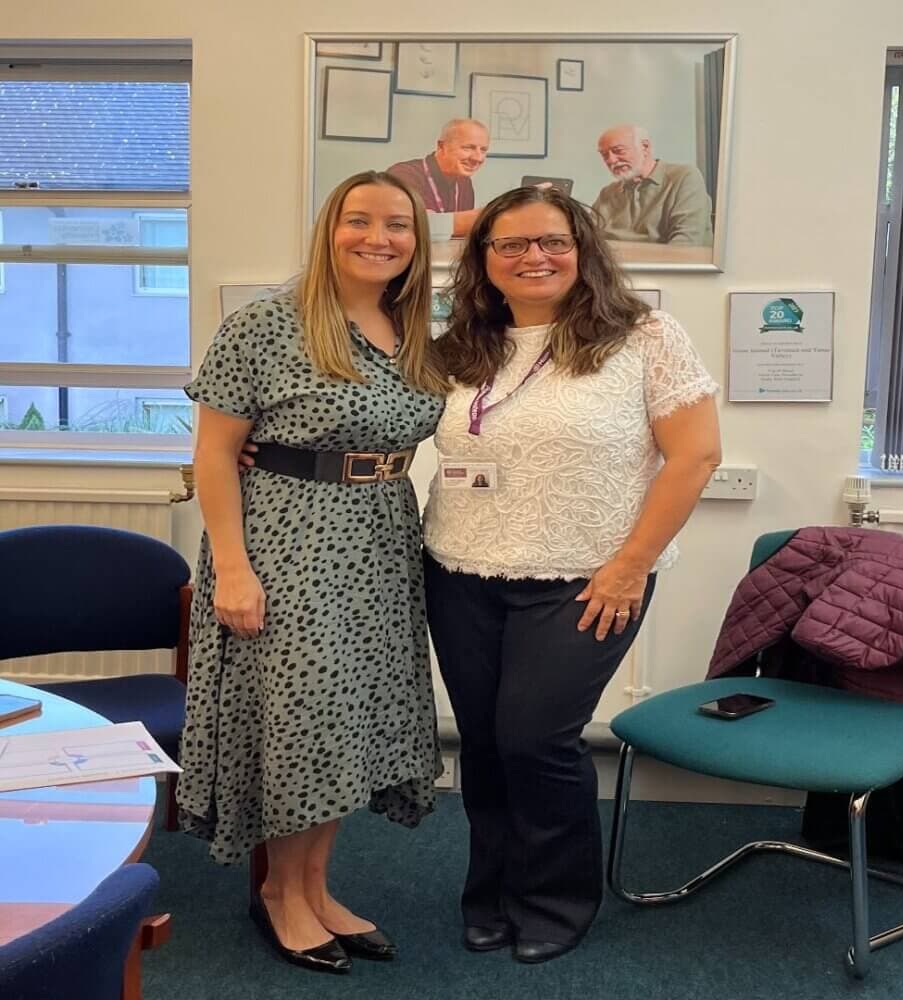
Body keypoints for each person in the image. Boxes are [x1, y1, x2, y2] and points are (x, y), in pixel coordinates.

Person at [422, 186, 721, 963]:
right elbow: (375, 420)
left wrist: (631, 567)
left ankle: (555, 897)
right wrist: (261, 448)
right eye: (511, 244)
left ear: (582, 248)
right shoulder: (461, 345)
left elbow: (695, 456)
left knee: (536, 740)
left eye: (551, 241)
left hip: (589, 576)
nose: (534, 257)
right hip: (460, 569)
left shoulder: (645, 336)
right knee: (484, 743)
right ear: (484, 260)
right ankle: (488, 890)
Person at [177, 170, 449, 975]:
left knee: (348, 728)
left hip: (381, 541)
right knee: (299, 724)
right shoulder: (266, 324)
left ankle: (318, 889)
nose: (379, 237)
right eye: (358, 221)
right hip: (286, 542)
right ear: (329, 229)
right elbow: (215, 455)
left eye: (397, 224)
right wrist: (232, 568)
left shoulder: (419, 331)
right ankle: (279, 898)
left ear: (417, 240)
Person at [592, 124, 714, 246]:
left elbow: (685, 243)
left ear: (645, 147)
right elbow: (587, 236)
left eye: (618, 151)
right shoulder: (607, 193)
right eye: (604, 155)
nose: (611, 160)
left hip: (662, 263)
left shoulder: (684, 177)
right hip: (610, 263)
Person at [388, 118, 490, 238]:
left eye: (483, 150)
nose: (478, 158)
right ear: (442, 146)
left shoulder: (464, 182)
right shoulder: (404, 174)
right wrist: (485, 217)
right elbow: (412, 225)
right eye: (468, 148)